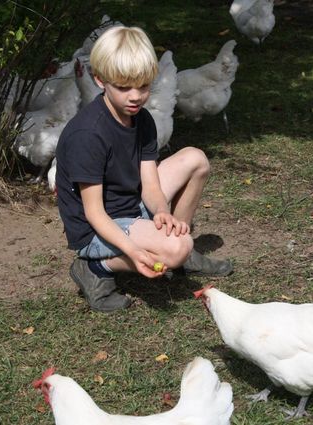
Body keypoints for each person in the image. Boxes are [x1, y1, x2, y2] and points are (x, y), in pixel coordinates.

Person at [55, 25, 233, 312]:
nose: (135, 96)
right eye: (124, 87)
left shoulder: (142, 119)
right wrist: (134, 252)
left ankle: (180, 249)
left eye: (143, 85)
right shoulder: (87, 134)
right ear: (100, 80)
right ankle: (95, 267)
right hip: (97, 228)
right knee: (176, 247)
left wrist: (163, 212)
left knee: (195, 159)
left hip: (130, 205)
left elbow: (150, 185)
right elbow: (94, 213)